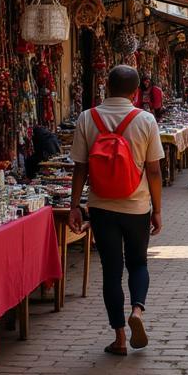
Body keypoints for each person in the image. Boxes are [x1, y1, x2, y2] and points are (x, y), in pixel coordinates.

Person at [68, 64, 163, 356]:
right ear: (136, 92)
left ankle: (120, 337)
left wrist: (74, 207)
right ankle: (137, 310)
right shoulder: (145, 119)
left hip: (101, 206)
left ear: (106, 87)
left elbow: (80, 168)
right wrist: (157, 210)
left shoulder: (88, 118)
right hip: (136, 205)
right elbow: (155, 171)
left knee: (111, 270)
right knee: (138, 263)